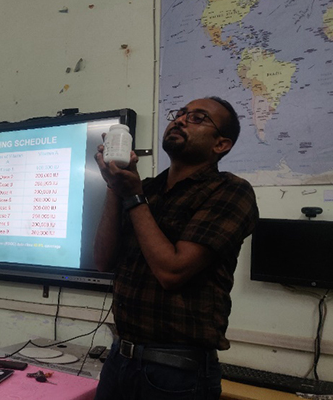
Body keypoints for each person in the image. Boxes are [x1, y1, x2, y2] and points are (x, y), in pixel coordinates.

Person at [93, 97, 259, 400]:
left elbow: (172, 272)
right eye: (179, 114)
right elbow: (103, 260)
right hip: (119, 360)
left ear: (221, 144)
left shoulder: (231, 191)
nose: (180, 120)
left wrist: (133, 197)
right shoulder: (148, 189)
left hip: (176, 373)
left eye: (198, 118)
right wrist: (114, 184)